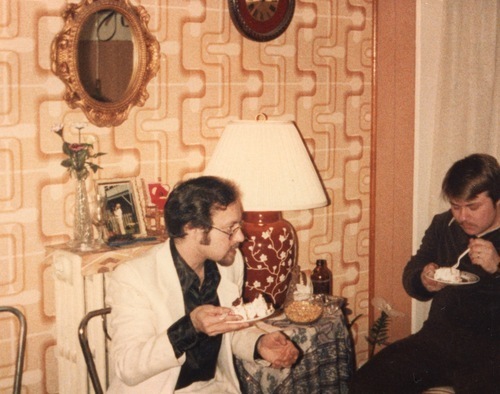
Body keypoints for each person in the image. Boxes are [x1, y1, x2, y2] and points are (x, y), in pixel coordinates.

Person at [105, 176, 299, 393]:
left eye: (239, 225)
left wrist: (258, 343)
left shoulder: (230, 264)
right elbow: (128, 367)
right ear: (193, 228)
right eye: (230, 228)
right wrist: (190, 327)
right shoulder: (135, 277)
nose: (241, 237)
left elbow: (227, 331)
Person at [349, 153, 500, 394]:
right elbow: (412, 272)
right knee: (365, 384)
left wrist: (497, 267)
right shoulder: (443, 225)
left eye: (473, 207)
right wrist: (422, 279)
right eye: (455, 206)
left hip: (490, 351)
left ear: (497, 201)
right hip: (437, 340)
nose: (462, 217)